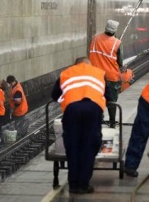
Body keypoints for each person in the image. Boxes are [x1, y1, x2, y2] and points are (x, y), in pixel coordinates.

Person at [51, 57, 108, 194]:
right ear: (89, 64)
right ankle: (83, 185)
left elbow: (54, 96)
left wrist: (68, 99)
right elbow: (109, 95)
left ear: (75, 65)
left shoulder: (66, 73)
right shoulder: (99, 73)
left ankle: (73, 185)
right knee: (89, 147)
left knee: (73, 147)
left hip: (72, 110)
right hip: (93, 109)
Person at [89, 20, 123, 128]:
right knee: (111, 100)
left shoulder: (95, 38)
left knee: (97, 98)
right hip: (111, 77)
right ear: (115, 31)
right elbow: (120, 62)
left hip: (95, 75)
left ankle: (97, 120)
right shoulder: (117, 43)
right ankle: (112, 122)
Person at [6, 75, 28, 139]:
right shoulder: (16, 86)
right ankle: (22, 134)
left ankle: (20, 136)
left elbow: (18, 102)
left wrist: (13, 109)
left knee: (18, 124)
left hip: (19, 110)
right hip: (21, 109)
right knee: (20, 122)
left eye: (10, 83)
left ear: (12, 82)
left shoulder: (17, 89)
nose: (9, 85)